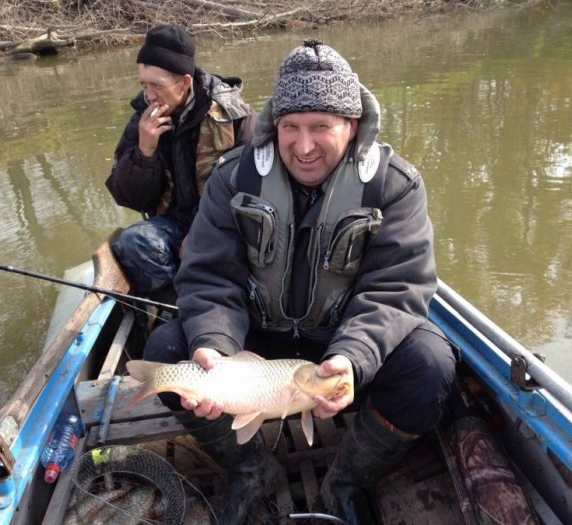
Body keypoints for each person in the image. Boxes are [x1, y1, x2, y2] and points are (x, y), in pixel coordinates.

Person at [141, 39, 457, 524]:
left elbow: (397, 290)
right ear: (274, 124)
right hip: (255, 345)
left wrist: (353, 358)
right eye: (290, 127)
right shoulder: (233, 177)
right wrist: (213, 344)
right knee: (166, 350)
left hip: (342, 345)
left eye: (320, 127)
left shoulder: (394, 186)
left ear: (350, 127)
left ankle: (348, 479)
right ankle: (249, 466)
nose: (303, 146)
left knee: (431, 364)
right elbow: (207, 276)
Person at [106, 24, 256, 296]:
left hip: (224, 226)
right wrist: (144, 152)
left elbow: (254, 190)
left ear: (185, 82)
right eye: (143, 85)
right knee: (133, 242)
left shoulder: (235, 115)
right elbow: (129, 198)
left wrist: (202, 233)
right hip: (173, 226)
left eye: (156, 86)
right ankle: (175, 306)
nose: (148, 95)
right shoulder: (142, 119)